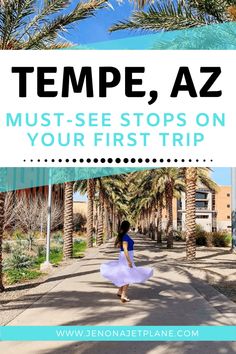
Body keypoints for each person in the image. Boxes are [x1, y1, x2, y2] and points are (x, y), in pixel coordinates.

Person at [100, 220, 153, 303]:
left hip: (125, 256)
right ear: (127, 227)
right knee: (128, 276)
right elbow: (125, 249)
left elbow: (120, 246)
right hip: (126, 257)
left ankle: (119, 291)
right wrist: (129, 261)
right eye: (129, 226)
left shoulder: (123, 236)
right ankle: (123, 295)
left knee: (124, 274)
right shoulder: (124, 236)